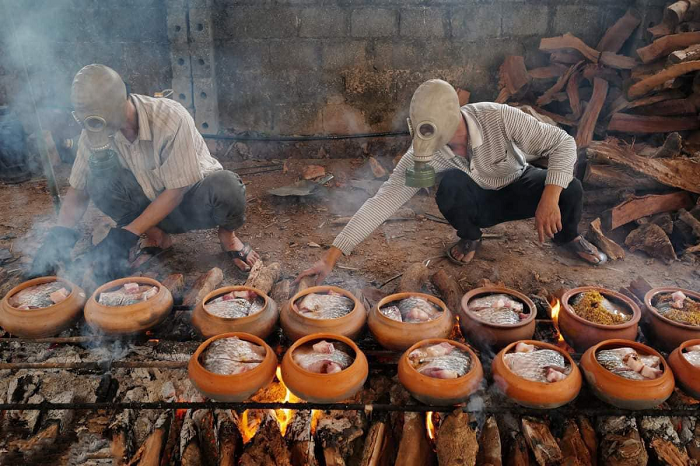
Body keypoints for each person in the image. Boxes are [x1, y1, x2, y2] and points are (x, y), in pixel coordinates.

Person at [297, 79, 606, 284]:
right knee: (450, 187)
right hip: (479, 202)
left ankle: (568, 238)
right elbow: (384, 201)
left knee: (570, 188)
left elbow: (563, 143)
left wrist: (549, 198)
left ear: (453, 117)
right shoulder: (425, 149)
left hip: (518, 183)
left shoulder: (498, 116)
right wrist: (331, 257)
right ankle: (471, 236)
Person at [29, 64, 259, 282]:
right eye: (85, 119)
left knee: (227, 187)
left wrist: (126, 235)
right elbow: (78, 189)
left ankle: (228, 238)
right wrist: (59, 235)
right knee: (97, 182)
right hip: (145, 209)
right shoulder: (94, 131)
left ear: (119, 104)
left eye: (96, 120)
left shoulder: (169, 118)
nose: (91, 128)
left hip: (191, 203)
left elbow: (177, 191)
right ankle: (157, 237)